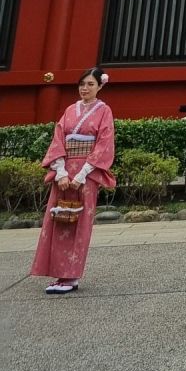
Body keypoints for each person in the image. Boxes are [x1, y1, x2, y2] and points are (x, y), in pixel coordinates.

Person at [29, 67, 117, 295]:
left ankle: (71, 275)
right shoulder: (69, 110)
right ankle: (58, 273)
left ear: (99, 86)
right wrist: (60, 172)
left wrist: (81, 174)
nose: (85, 88)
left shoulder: (103, 111)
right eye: (82, 84)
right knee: (58, 219)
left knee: (78, 223)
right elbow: (58, 139)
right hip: (64, 173)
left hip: (85, 175)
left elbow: (104, 144)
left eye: (90, 84)